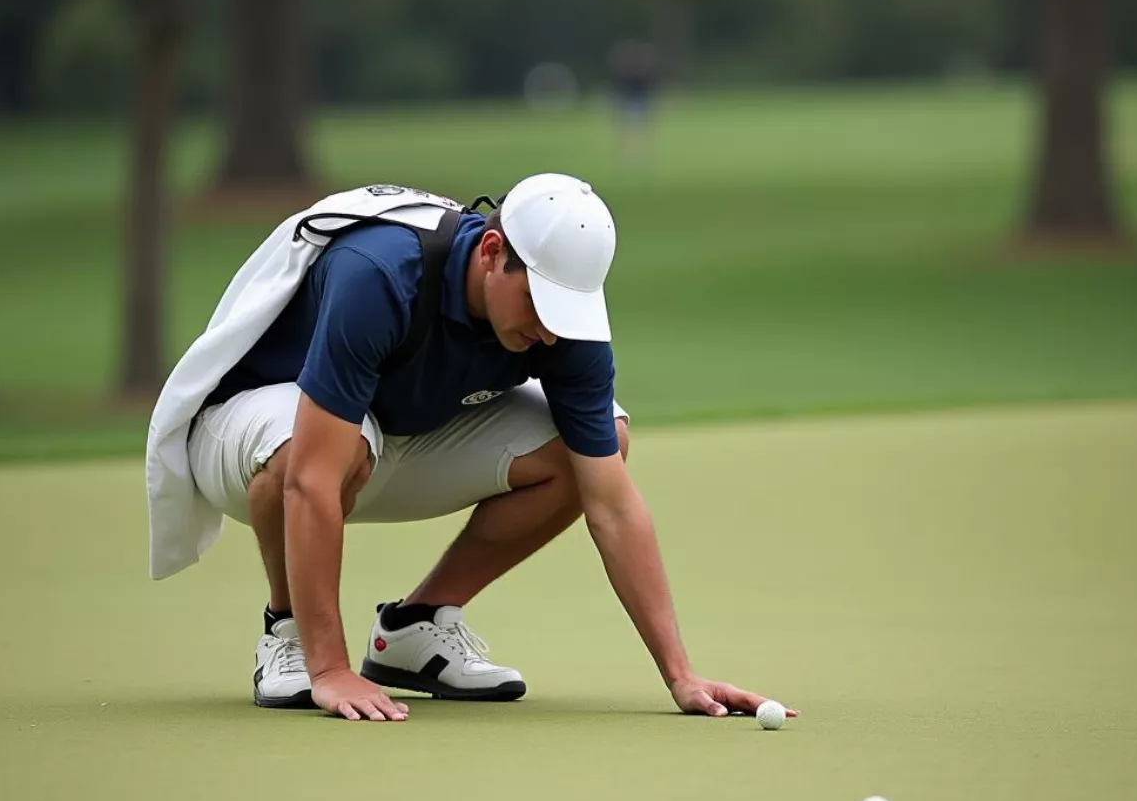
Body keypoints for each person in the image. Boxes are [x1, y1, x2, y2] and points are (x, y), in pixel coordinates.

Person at [151, 174, 795, 724]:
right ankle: (289, 635)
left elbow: (613, 505)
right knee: (306, 450)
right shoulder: (378, 274)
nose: (547, 327)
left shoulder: (562, 327)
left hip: (392, 438)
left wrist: (681, 675)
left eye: (562, 311)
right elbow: (311, 481)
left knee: (599, 443)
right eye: (536, 301)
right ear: (492, 252)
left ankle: (412, 628)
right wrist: (333, 670)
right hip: (246, 436)